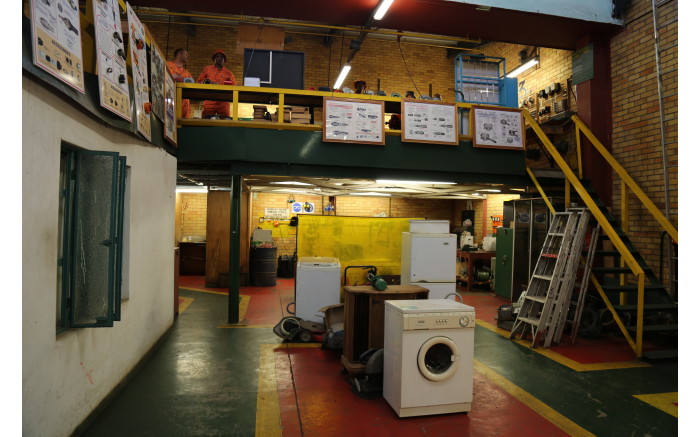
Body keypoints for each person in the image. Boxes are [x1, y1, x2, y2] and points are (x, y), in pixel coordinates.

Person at [197, 49, 237, 119]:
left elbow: (235, 86)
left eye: (222, 57)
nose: (220, 58)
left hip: (223, 103)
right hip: (209, 101)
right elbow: (199, 82)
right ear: (214, 59)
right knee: (206, 122)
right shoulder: (207, 69)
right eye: (218, 56)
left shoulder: (228, 73)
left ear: (224, 60)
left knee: (225, 123)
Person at [166, 48, 193, 118]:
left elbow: (192, 85)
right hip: (169, 102)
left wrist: (178, 77)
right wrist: (182, 79)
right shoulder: (168, 65)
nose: (188, 56)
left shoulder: (187, 73)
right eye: (186, 54)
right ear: (179, 54)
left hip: (184, 107)